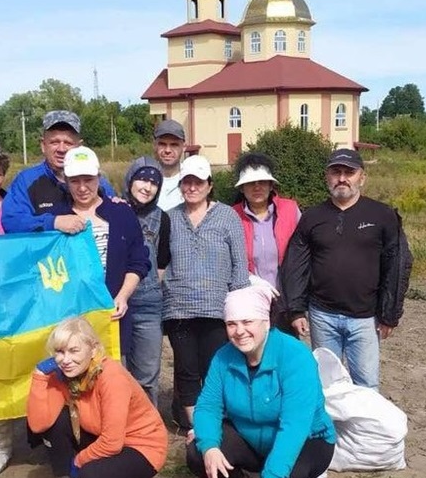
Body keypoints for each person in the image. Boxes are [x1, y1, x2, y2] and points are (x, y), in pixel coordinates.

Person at [186, 278, 335, 478]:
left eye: (247, 322)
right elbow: (208, 405)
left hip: (308, 439)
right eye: (232, 324)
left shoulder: (295, 357)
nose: (239, 331)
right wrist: (209, 446)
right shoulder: (223, 357)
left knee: (290, 476)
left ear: (265, 321)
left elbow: (294, 426)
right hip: (253, 439)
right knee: (197, 454)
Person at [281, 148, 412, 390]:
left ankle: (363, 429)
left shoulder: (383, 215)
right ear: (326, 177)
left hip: (365, 318)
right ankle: (330, 429)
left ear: (362, 177)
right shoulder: (312, 217)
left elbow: (397, 264)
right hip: (322, 316)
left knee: (366, 384)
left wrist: (389, 314)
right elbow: (295, 264)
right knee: (326, 384)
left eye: (349, 172)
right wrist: (296, 310)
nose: (342, 178)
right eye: (336, 172)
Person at [26, 316, 168, 478]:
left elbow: (112, 443)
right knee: (55, 420)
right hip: (102, 434)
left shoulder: (112, 377)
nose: (65, 360)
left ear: (92, 350)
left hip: (140, 446)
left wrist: (78, 461)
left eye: (74, 351)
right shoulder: (66, 374)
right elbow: (39, 425)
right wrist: (39, 376)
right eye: (59, 352)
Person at [161, 155, 249, 431]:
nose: (191, 187)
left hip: (217, 309)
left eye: (198, 182)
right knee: (186, 370)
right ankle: (196, 427)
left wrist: (237, 307)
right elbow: (160, 262)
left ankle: (218, 423)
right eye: (186, 182)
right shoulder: (170, 218)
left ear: (209, 185)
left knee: (216, 369)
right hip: (179, 310)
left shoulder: (227, 216)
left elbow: (240, 265)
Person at [61, 146, 150, 358]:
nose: (82, 187)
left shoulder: (121, 212)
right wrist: (54, 222)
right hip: (71, 319)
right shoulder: (58, 217)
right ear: (65, 181)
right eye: (75, 181)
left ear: (98, 178)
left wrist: (123, 296)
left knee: (113, 381)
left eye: (88, 179)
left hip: (113, 316)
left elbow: (138, 260)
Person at [0, 110, 114, 233]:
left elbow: (116, 219)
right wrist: (53, 222)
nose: (61, 149)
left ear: (79, 146)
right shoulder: (26, 181)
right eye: (54, 142)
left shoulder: (99, 183)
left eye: (68, 143)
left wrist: (119, 204)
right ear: (43, 145)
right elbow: (12, 222)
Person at [229, 152, 300, 330]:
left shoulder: (291, 210)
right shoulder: (230, 215)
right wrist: (250, 279)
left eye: (262, 182)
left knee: (284, 351)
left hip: (285, 299)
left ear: (271, 185)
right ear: (241, 188)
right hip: (248, 298)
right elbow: (226, 260)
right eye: (251, 183)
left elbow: (303, 253)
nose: (257, 187)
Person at [122, 165, 170, 405]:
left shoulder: (162, 218)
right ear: (130, 181)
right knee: (117, 372)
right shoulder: (113, 210)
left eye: (153, 183)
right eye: (142, 180)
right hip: (115, 302)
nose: (147, 187)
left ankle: (147, 430)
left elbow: (162, 262)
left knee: (147, 374)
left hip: (149, 305)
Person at [122, 119, 187, 211]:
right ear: (154, 145)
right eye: (162, 144)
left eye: (174, 145)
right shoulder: (141, 177)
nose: (167, 150)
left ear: (184, 147)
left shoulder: (191, 180)